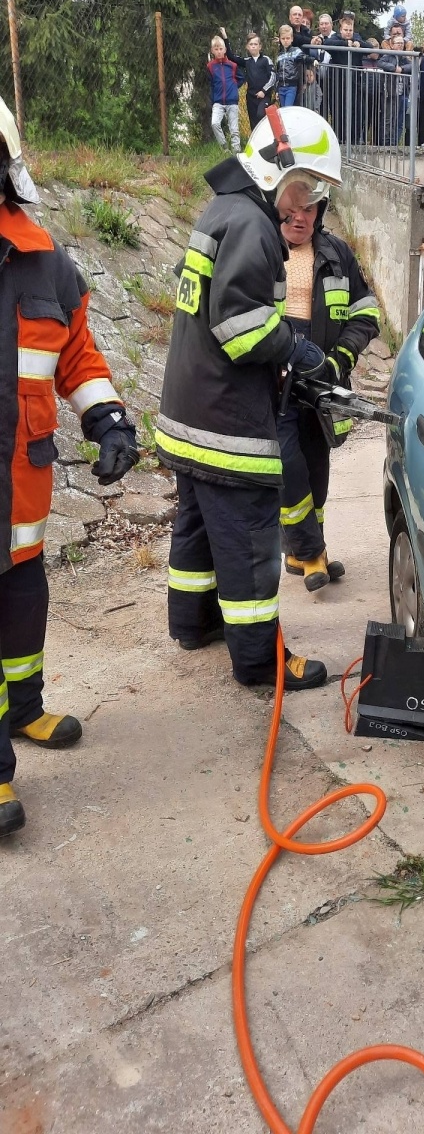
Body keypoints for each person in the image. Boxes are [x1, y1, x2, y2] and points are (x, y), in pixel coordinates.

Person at [156, 107, 343, 692]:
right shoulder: (253, 225)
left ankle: (193, 622)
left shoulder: (223, 210)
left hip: (189, 412)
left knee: (196, 525)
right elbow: (240, 327)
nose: (307, 202)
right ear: (275, 169)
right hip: (227, 422)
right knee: (249, 541)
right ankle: (261, 660)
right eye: (305, 186)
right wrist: (299, 350)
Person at [0, 97, 139, 838]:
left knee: (24, 606)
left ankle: (23, 709)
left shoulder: (48, 261)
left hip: (20, 496)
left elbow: (76, 355)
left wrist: (107, 416)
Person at [276, 182, 379, 591]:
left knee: (316, 466)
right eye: (294, 208)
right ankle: (310, 551)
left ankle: (301, 551)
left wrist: (339, 361)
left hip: (322, 380)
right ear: (279, 206)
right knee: (289, 464)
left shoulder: (337, 255)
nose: (301, 217)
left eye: (311, 209)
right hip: (275, 378)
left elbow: (365, 313)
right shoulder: (261, 248)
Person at [325, 13, 369, 143]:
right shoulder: (335, 38)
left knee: (357, 111)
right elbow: (327, 43)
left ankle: (354, 140)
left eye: (350, 30)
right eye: (346, 30)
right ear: (340, 29)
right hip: (338, 82)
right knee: (338, 111)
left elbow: (370, 48)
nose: (348, 32)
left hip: (355, 82)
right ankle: (340, 139)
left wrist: (358, 44)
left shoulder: (357, 38)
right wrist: (345, 44)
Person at [224, 30, 276, 133]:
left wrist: (264, 91)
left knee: (261, 115)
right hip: (251, 97)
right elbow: (231, 56)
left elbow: (273, 76)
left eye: (255, 44)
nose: (253, 46)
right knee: (253, 122)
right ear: (247, 47)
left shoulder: (266, 60)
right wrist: (225, 38)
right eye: (251, 44)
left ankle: (269, 138)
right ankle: (256, 145)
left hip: (264, 96)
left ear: (260, 46)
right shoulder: (247, 61)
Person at [276, 25, 327, 108]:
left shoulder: (295, 51)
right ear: (280, 39)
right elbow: (278, 72)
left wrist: (312, 60)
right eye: (283, 38)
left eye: (288, 38)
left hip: (291, 86)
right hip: (281, 86)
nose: (285, 41)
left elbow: (304, 57)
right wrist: (277, 89)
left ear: (292, 38)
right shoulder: (280, 55)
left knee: (288, 108)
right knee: (283, 109)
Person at [208, 33, 244, 151]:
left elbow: (241, 78)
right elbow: (211, 83)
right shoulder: (210, 66)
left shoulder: (232, 66)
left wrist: (233, 88)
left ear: (225, 50)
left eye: (221, 49)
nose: (219, 51)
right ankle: (224, 148)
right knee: (215, 123)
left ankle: (237, 151)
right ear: (212, 50)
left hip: (232, 101)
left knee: (234, 128)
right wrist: (213, 99)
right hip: (218, 101)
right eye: (216, 49)